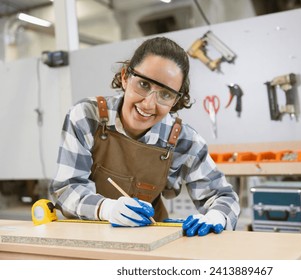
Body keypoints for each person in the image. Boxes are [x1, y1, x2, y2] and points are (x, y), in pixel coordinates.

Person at [49, 37, 240, 237]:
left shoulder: (184, 140)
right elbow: (67, 188)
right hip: (87, 238)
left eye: (165, 95)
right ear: (125, 77)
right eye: (143, 84)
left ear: (176, 100)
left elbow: (223, 196)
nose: (148, 104)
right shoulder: (87, 117)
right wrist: (106, 209)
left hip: (149, 241)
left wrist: (216, 216)